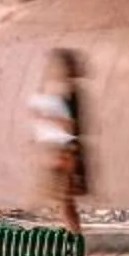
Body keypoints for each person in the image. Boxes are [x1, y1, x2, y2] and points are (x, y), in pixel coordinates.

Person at [30, 49, 86, 232]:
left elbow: (70, 125)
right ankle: (75, 237)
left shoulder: (69, 94)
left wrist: (45, 117)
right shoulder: (69, 92)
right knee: (65, 202)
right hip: (65, 151)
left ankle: (76, 238)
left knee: (65, 201)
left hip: (65, 152)